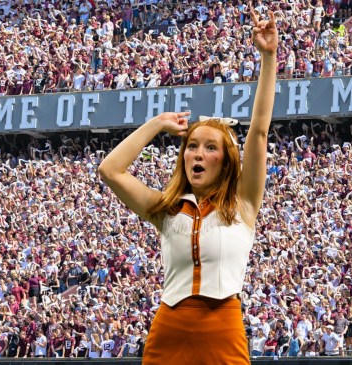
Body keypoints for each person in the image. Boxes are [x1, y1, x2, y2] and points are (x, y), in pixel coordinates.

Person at [98, 10, 278, 365]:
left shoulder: (243, 204)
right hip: (169, 331)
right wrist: (156, 123)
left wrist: (268, 57)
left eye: (210, 147)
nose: (198, 153)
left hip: (223, 332)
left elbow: (258, 131)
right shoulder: (165, 209)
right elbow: (110, 170)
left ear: (226, 160)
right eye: (192, 146)